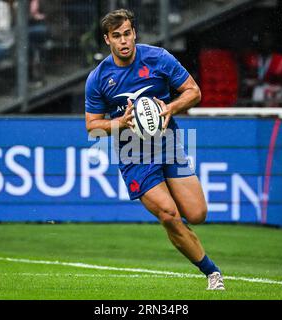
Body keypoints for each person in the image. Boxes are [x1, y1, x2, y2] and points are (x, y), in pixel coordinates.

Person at [84, 9, 224, 290]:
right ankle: (212, 272)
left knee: (197, 214)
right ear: (107, 40)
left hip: (168, 142)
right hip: (133, 153)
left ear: (134, 33)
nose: (123, 41)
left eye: (127, 34)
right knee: (169, 214)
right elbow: (92, 126)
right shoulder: (98, 79)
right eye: (116, 36)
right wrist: (121, 123)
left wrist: (169, 107)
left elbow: (193, 92)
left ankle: (177, 217)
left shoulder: (158, 58)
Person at [240, 31, 282, 107]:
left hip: (274, 101)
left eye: (267, 39)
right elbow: (241, 78)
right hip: (252, 102)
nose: (265, 42)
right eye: (262, 39)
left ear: (272, 41)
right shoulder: (250, 58)